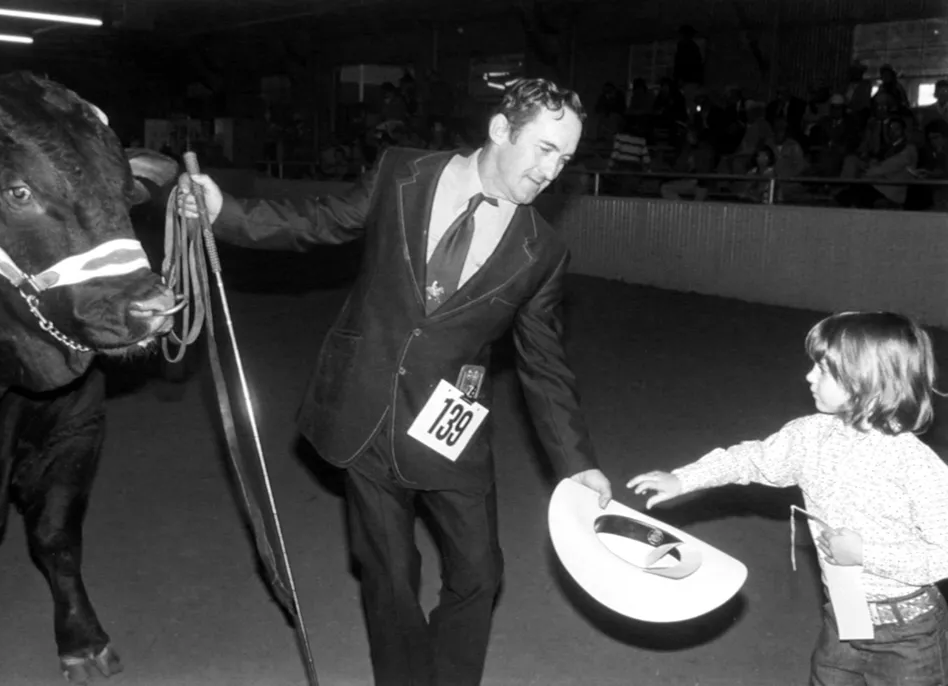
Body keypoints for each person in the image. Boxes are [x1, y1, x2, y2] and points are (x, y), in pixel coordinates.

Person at [177, 78, 613, 686]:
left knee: (480, 573)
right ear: (499, 130)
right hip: (364, 405)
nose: (552, 172)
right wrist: (227, 212)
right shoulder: (403, 173)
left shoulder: (543, 250)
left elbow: (544, 362)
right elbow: (320, 222)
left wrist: (577, 463)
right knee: (389, 576)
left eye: (565, 159)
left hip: (449, 425)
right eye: (544, 149)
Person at [628, 311, 948, 686]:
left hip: (908, 633)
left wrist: (866, 555)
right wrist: (684, 479)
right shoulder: (809, 437)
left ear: (869, 383)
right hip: (844, 616)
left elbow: (943, 553)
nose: (809, 376)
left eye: (824, 370)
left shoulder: (917, 466)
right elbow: (750, 459)